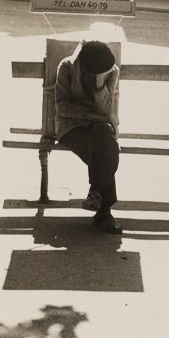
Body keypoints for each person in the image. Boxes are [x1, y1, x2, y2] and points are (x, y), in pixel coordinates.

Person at [55, 40, 122, 234]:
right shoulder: (66, 66)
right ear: (83, 67)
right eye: (93, 73)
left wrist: (100, 82)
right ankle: (104, 212)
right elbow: (63, 107)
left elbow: (105, 109)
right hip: (71, 128)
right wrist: (97, 117)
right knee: (107, 150)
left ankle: (95, 192)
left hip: (99, 129)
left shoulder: (111, 71)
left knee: (104, 141)